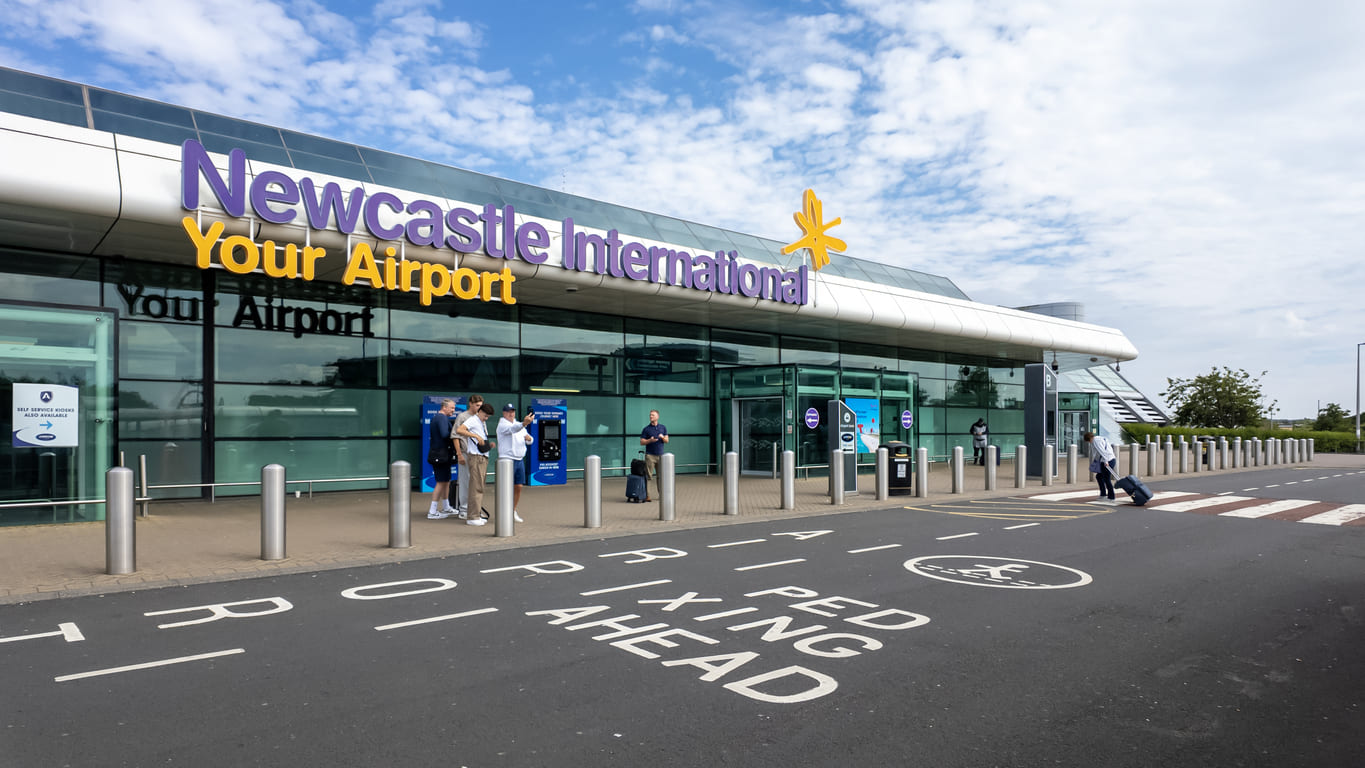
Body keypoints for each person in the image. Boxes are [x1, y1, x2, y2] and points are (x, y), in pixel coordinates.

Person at [456, 402, 496, 526]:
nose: (486, 418)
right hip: (476, 457)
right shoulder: (473, 420)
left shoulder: (480, 422)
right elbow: (459, 430)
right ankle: (472, 517)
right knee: (476, 487)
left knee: (479, 486)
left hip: (482, 456)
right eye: (486, 415)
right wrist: (474, 435)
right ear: (481, 411)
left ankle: (476, 514)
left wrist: (488, 445)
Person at [496, 403, 536, 522]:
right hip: (507, 459)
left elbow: (529, 438)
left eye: (513, 411)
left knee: (518, 486)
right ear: (504, 413)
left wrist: (530, 439)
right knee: (505, 488)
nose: (511, 413)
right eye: (508, 411)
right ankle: (503, 512)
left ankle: (512, 510)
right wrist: (524, 423)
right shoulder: (502, 424)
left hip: (519, 459)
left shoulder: (519, 425)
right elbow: (513, 429)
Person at [451, 394, 484, 518]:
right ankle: (464, 509)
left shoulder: (480, 417)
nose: (479, 408)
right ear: (470, 403)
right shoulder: (462, 417)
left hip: (477, 454)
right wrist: (459, 454)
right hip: (465, 453)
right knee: (465, 482)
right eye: (477, 405)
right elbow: (455, 436)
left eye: (481, 405)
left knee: (476, 483)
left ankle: (474, 508)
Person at [426, 399, 457, 519]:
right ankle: (432, 511)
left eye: (454, 408)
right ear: (444, 407)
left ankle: (446, 507)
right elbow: (445, 434)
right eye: (452, 408)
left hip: (441, 454)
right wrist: (456, 435)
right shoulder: (441, 418)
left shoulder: (438, 418)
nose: (453, 410)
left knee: (446, 481)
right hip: (440, 455)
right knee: (441, 482)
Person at [639, 409, 669, 502]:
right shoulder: (646, 429)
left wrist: (662, 437)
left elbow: (667, 441)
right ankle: (647, 496)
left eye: (653, 415)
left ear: (657, 417)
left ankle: (661, 495)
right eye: (650, 415)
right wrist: (649, 441)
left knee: (660, 476)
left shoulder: (663, 428)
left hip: (660, 456)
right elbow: (642, 442)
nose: (651, 416)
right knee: (649, 476)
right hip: (650, 456)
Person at [1084, 430, 1117, 501]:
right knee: (1100, 477)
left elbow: (1102, 451)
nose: (1089, 443)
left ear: (1089, 439)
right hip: (1111, 459)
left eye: (1088, 441)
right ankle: (1103, 494)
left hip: (1107, 461)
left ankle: (1111, 497)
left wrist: (1105, 461)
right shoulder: (1100, 438)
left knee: (1106, 478)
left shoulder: (1095, 441)